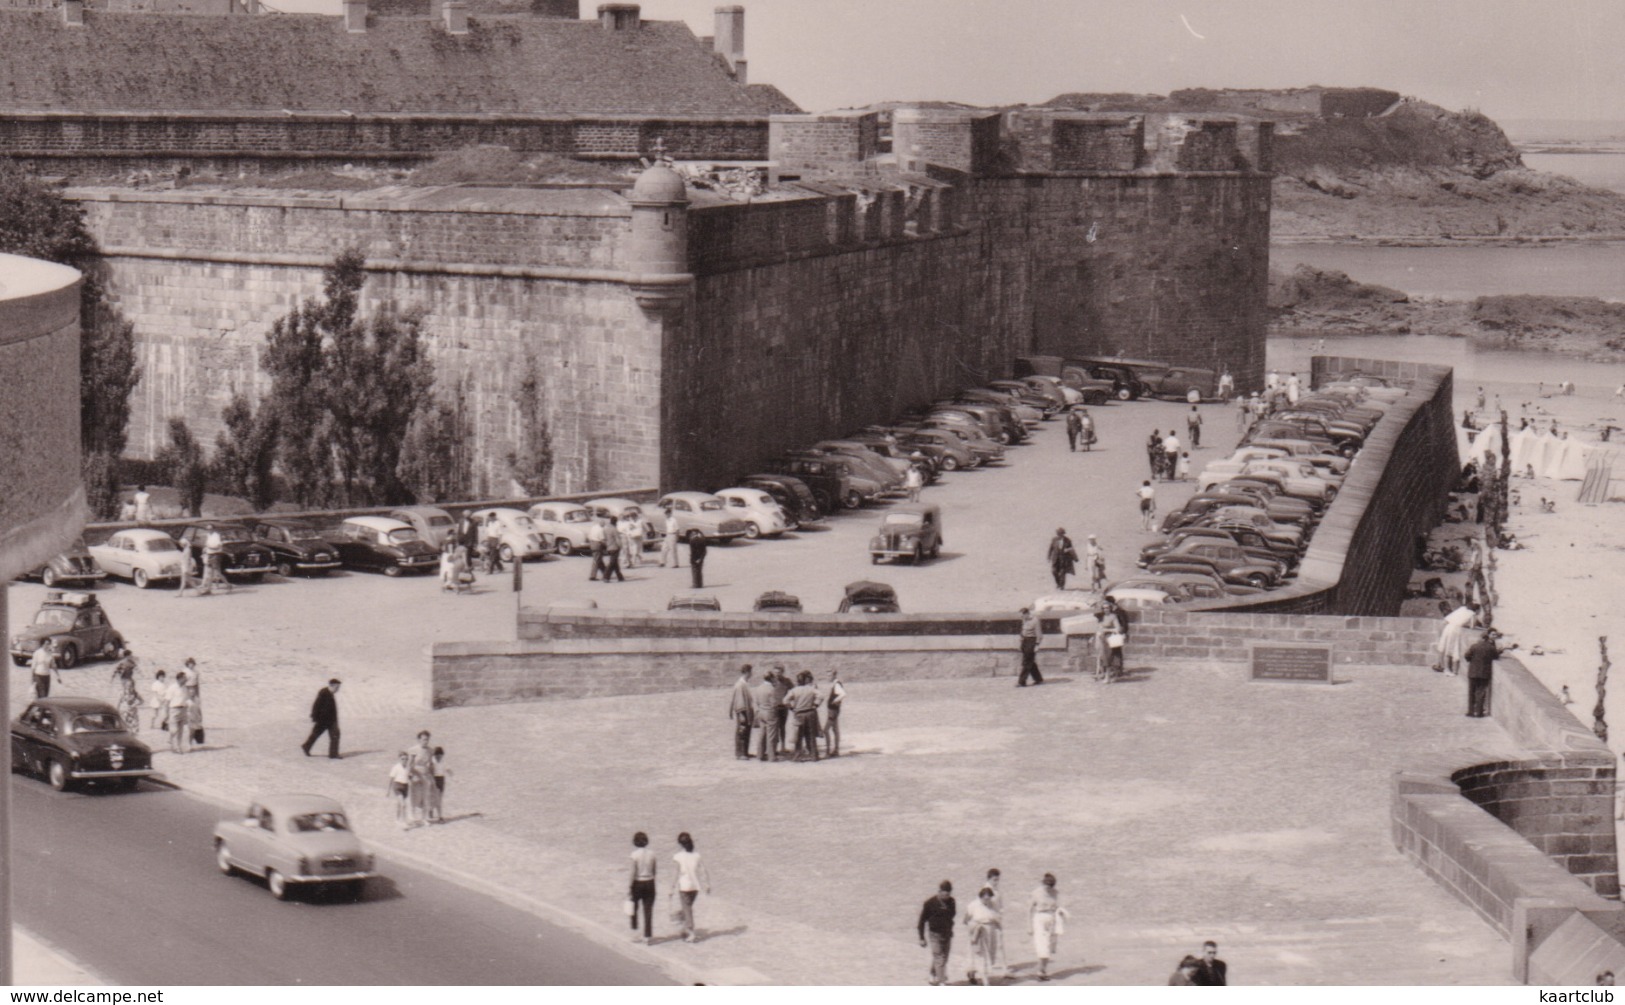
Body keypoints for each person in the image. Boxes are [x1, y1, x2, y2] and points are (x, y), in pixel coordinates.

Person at [668, 832, 711, 943]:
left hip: (684, 887)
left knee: (687, 909)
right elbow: (703, 870)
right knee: (687, 908)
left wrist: (671, 888)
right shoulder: (696, 856)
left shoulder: (678, 856)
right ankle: (684, 928)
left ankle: (690, 932)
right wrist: (707, 884)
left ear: (680, 844)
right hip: (695, 887)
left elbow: (675, 873)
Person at [1029, 873, 1067, 981]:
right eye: (1047, 886)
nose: (1048, 888)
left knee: (1049, 946)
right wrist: (1029, 926)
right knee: (1043, 945)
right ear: (1043, 883)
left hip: (1052, 919)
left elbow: (1057, 906)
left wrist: (1061, 913)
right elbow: (1029, 909)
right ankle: (1041, 971)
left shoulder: (1055, 893)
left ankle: (1042, 970)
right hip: (1039, 919)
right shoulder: (1036, 893)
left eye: (1051, 886)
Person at [962, 886, 1002, 986]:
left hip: (990, 933)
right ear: (980, 897)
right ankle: (985, 982)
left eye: (989, 898)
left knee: (988, 955)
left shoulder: (993, 905)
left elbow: (996, 919)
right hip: (978, 934)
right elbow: (965, 920)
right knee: (981, 956)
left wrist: (999, 928)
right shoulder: (973, 905)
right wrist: (974, 928)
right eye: (985, 898)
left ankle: (971, 974)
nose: (987, 901)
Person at [918, 881, 957, 986]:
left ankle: (932, 973)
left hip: (947, 934)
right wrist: (921, 937)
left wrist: (950, 929)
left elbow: (951, 917)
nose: (946, 897)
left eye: (948, 895)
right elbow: (922, 921)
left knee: (943, 958)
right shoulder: (930, 903)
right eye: (944, 895)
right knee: (939, 958)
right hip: (934, 935)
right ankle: (942, 982)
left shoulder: (952, 902)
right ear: (939, 892)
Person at [785, 670, 822, 762]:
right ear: (805, 680)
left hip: (799, 714)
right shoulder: (811, 689)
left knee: (798, 736)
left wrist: (791, 708)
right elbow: (821, 696)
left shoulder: (794, 690)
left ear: (797, 681)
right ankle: (814, 756)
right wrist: (816, 705)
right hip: (810, 713)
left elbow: (785, 701)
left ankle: (797, 756)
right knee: (811, 735)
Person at [1465, 629, 1503, 718]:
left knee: (1472, 692)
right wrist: (1500, 651)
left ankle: (1470, 711)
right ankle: (1479, 712)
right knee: (1481, 692)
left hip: (1473, 672)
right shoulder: (1491, 648)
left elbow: (1467, 656)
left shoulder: (1474, 646)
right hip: (1484, 673)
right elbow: (1496, 656)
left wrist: (1472, 661)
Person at [628, 832, 658, 944]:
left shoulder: (634, 855)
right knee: (648, 910)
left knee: (634, 909)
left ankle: (635, 933)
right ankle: (647, 936)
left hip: (638, 882)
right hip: (650, 882)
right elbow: (655, 871)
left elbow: (632, 872)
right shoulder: (652, 854)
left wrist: (629, 887)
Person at [1433, 603, 1477, 676]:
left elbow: (1445, 621)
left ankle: (1444, 667)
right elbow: (1472, 626)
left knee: (1445, 647)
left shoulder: (1461, 609)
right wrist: (1464, 624)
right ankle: (1448, 670)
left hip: (1448, 628)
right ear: (1477, 610)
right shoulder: (1473, 613)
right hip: (1455, 630)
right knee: (1452, 649)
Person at [302, 678, 342, 758]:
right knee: (315, 734)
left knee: (335, 735)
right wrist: (314, 716)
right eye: (337, 687)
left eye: (338, 687)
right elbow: (316, 705)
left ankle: (333, 754)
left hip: (331, 720)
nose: (338, 689)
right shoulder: (324, 693)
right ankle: (306, 746)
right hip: (322, 720)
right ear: (332, 686)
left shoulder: (330, 694)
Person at [406, 729, 435, 827]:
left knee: (426, 797)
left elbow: (431, 764)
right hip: (416, 775)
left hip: (426, 775)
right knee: (415, 797)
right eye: (423, 739)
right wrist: (409, 774)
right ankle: (412, 817)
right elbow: (410, 764)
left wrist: (432, 776)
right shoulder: (413, 750)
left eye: (427, 739)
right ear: (419, 740)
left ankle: (424, 818)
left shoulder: (430, 750)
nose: (425, 741)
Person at [752, 668, 781, 762]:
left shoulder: (759, 688)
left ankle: (760, 754)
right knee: (771, 735)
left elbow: (756, 701)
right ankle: (771, 756)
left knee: (762, 734)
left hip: (761, 711)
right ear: (771, 678)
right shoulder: (771, 689)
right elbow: (774, 703)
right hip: (770, 712)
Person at [728, 664, 755, 760]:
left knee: (746, 731)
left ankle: (745, 752)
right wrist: (741, 714)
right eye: (750, 672)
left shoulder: (744, 683)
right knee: (742, 732)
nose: (752, 674)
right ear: (747, 672)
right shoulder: (740, 685)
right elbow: (739, 701)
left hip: (746, 710)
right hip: (742, 711)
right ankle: (740, 753)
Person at [769, 664, 793, 754]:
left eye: (778, 672)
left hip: (783, 708)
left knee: (782, 727)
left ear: (782, 672)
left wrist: (789, 701)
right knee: (774, 727)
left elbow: (793, 691)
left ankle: (783, 746)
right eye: (775, 672)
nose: (777, 674)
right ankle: (774, 748)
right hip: (774, 708)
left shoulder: (787, 681)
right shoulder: (772, 681)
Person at [1017, 607, 1043, 687]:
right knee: (1030, 661)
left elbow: (1039, 634)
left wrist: (1037, 645)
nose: (1021, 617)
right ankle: (1038, 679)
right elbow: (1023, 632)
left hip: (1032, 641)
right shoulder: (1024, 620)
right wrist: (1020, 643)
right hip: (1025, 641)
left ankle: (1022, 681)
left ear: (1027, 614)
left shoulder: (1035, 620)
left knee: (1026, 662)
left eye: (1022, 616)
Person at [167, 670, 192, 754]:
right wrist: (166, 714)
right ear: (180, 679)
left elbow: (187, 699)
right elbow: (167, 700)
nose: (186, 680)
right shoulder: (172, 687)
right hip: (174, 710)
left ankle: (177, 747)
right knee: (174, 730)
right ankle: (174, 745)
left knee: (180, 730)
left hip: (183, 710)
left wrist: (190, 705)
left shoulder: (185, 688)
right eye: (184, 678)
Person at [824, 668, 846, 757]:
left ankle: (828, 751)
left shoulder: (836, 684)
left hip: (833, 711)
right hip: (834, 710)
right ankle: (836, 750)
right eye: (828, 675)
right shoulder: (835, 684)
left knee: (825, 730)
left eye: (830, 675)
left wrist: (834, 701)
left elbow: (843, 694)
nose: (828, 677)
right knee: (835, 730)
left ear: (834, 675)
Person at [387, 751, 412, 828]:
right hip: (397, 786)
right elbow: (391, 779)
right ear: (399, 759)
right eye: (403, 759)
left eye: (406, 759)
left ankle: (397, 820)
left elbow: (409, 777)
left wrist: (410, 778)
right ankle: (404, 822)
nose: (404, 760)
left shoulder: (408, 768)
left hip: (405, 786)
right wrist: (388, 790)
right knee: (403, 804)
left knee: (400, 804)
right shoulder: (396, 767)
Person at [429, 745, 449, 822]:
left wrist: (451, 774)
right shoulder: (432, 762)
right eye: (437, 756)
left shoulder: (443, 762)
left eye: (440, 756)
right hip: (434, 779)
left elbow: (447, 769)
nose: (438, 757)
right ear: (434, 756)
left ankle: (430, 809)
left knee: (439, 798)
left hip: (441, 780)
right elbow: (430, 771)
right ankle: (440, 816)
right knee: (437, 798)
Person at [602, 517, 625, 582]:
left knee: (615, 563)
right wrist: (621, 546)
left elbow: (604, 538)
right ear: (615, 522)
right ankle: (606, 577)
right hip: (615, 547)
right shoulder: (614, 529)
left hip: (609, 547)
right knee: (612, 563)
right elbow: (617, 539)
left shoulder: (605, 529)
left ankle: (620, 577)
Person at [586, 515, 608, 581]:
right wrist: (607, 546)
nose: (604, 526)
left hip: (592, 543)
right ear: (602, 524)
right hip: (597, 544)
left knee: (599, 559)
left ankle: (605, 573)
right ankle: (592, 576)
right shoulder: (600, 530)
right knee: (596, 560)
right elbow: (602, 540)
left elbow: (589, 536)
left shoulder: (594, 527)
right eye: (604, 524)